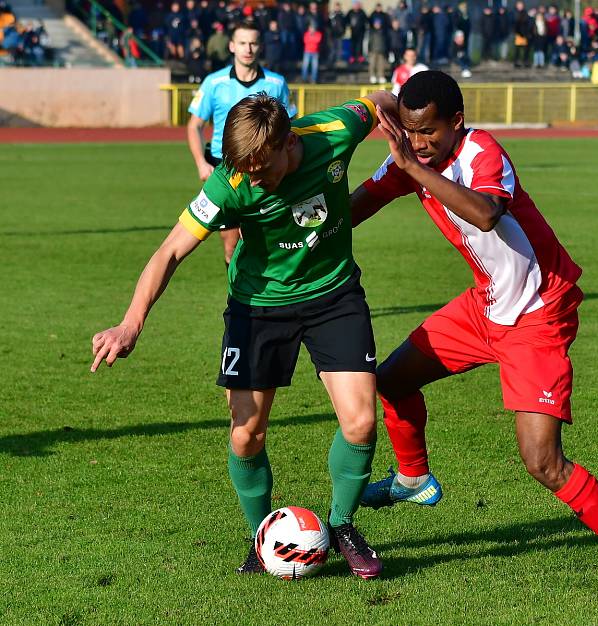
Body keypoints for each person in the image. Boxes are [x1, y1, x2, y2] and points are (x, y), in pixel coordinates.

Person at [349, 70, 598, 593]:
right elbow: (356, 208)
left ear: (457, 121)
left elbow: (487, 212)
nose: (419, 142)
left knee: (542, 460)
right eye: (410, 130)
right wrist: (297, 223)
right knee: (393, 381)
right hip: (487, 304)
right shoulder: (412, 157)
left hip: (538, 312)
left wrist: (411, 167)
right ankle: (413, 480)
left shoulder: (481, 152)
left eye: (429, 131)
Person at [92, 89, 397, 579]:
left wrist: (409, 134)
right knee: (245, 434)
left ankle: (341, 525)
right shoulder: (229, 182)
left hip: (333, 296)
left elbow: (382, 100)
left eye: (260, 169)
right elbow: (171, 251)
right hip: (258, 309)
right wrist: (131, 323)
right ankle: (263, 540)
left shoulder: (334, 130)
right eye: (244, 171)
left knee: (361, 422)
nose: (252, 179)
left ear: (286, 142)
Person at [186, 20, 295, 267]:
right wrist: (201, 163)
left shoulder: (276, 84)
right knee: (231, 243)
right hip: (225, 167)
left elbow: (291, 126)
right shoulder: (214, 83)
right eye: (243, 43)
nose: (248, 48)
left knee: (266, 240)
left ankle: (270, 297)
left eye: (254, 43)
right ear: (232, 46)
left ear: (261, 46)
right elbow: (194, 126)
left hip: (266, 168)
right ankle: (238, 298)